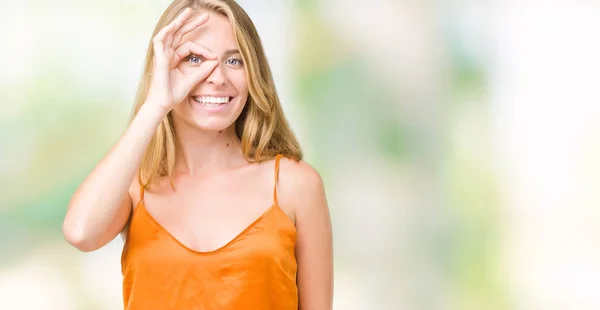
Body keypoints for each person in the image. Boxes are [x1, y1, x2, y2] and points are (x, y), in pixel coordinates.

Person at [62, 0, 333, 309]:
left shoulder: (296, 185)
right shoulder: (135, 185)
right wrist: (155, 106)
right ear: (163, 68)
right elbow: (81, 232)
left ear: (253, 72)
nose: (217, 78)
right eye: (194, 58)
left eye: (234, 61)